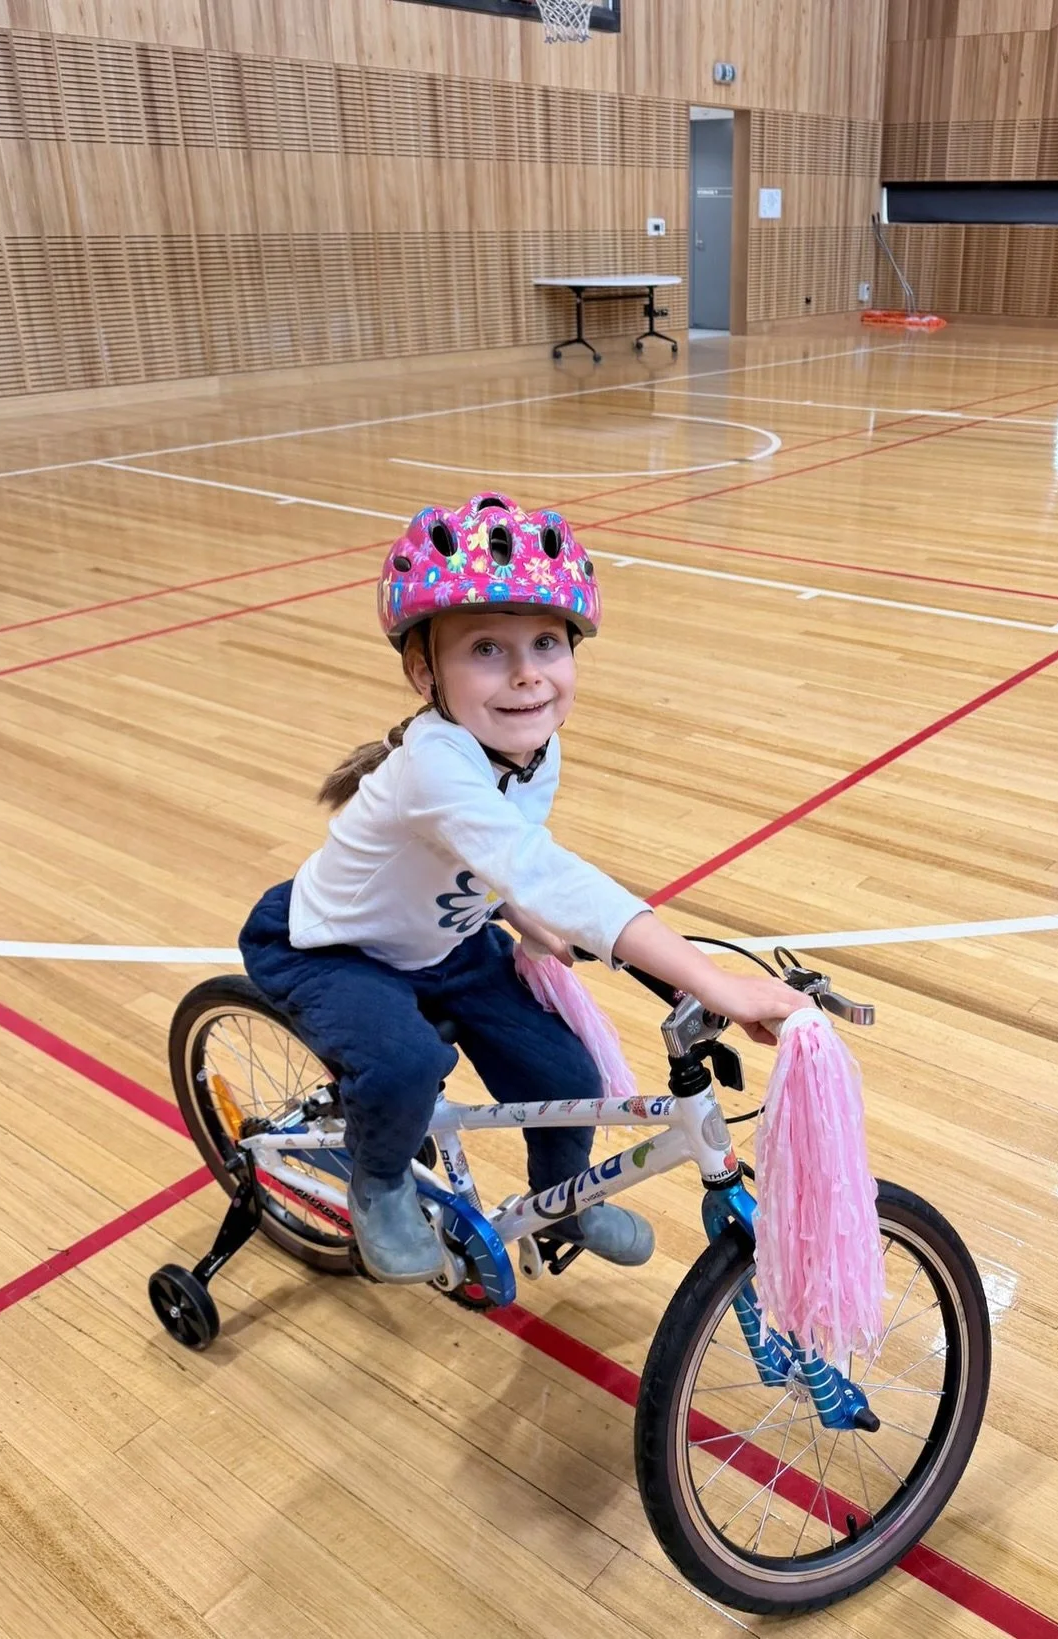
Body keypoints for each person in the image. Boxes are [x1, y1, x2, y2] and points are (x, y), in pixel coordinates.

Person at [239, 493, 806, 1284]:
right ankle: (378, 1184)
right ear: (421, 669)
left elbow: (491, 854)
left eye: (546, 641)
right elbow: (528, 858)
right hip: (336, 948)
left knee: (565, 1075)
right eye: (486, 649)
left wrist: (516, 911)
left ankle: (559, 1201)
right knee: (403, 1064)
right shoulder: (435, 761)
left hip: (445, 938)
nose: (527, 675)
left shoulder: (537, 749)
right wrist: (714, 982)